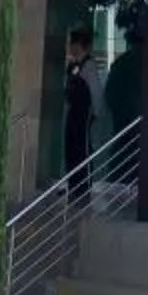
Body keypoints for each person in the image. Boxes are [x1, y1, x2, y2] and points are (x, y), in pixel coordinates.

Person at [63, 27, 95, 205]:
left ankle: (84, 189)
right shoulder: (72, 65)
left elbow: (95, 91)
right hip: (72, 113)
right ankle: (73, 187)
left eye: (71, 43)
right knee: (71, 150)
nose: (69, 47)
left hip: (84, 114)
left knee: (82, 150)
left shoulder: (88, 65)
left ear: (78, 45)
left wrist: (96, 113)